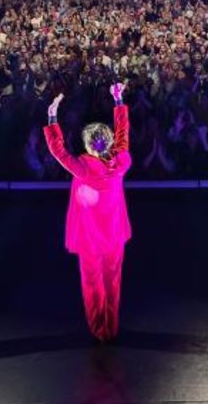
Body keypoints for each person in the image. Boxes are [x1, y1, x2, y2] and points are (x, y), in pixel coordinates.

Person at [43, 83, 132, 342]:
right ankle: (111, 328)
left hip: (90, 240)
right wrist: (118, 100)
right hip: (115, 236)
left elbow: (57, 150)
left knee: (92, 284)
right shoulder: (120, 162)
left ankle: (98, 330)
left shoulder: (82, 167)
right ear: (108, 143)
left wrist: (52, 116)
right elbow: (124, 135)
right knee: (113, 282)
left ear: (88, 145)